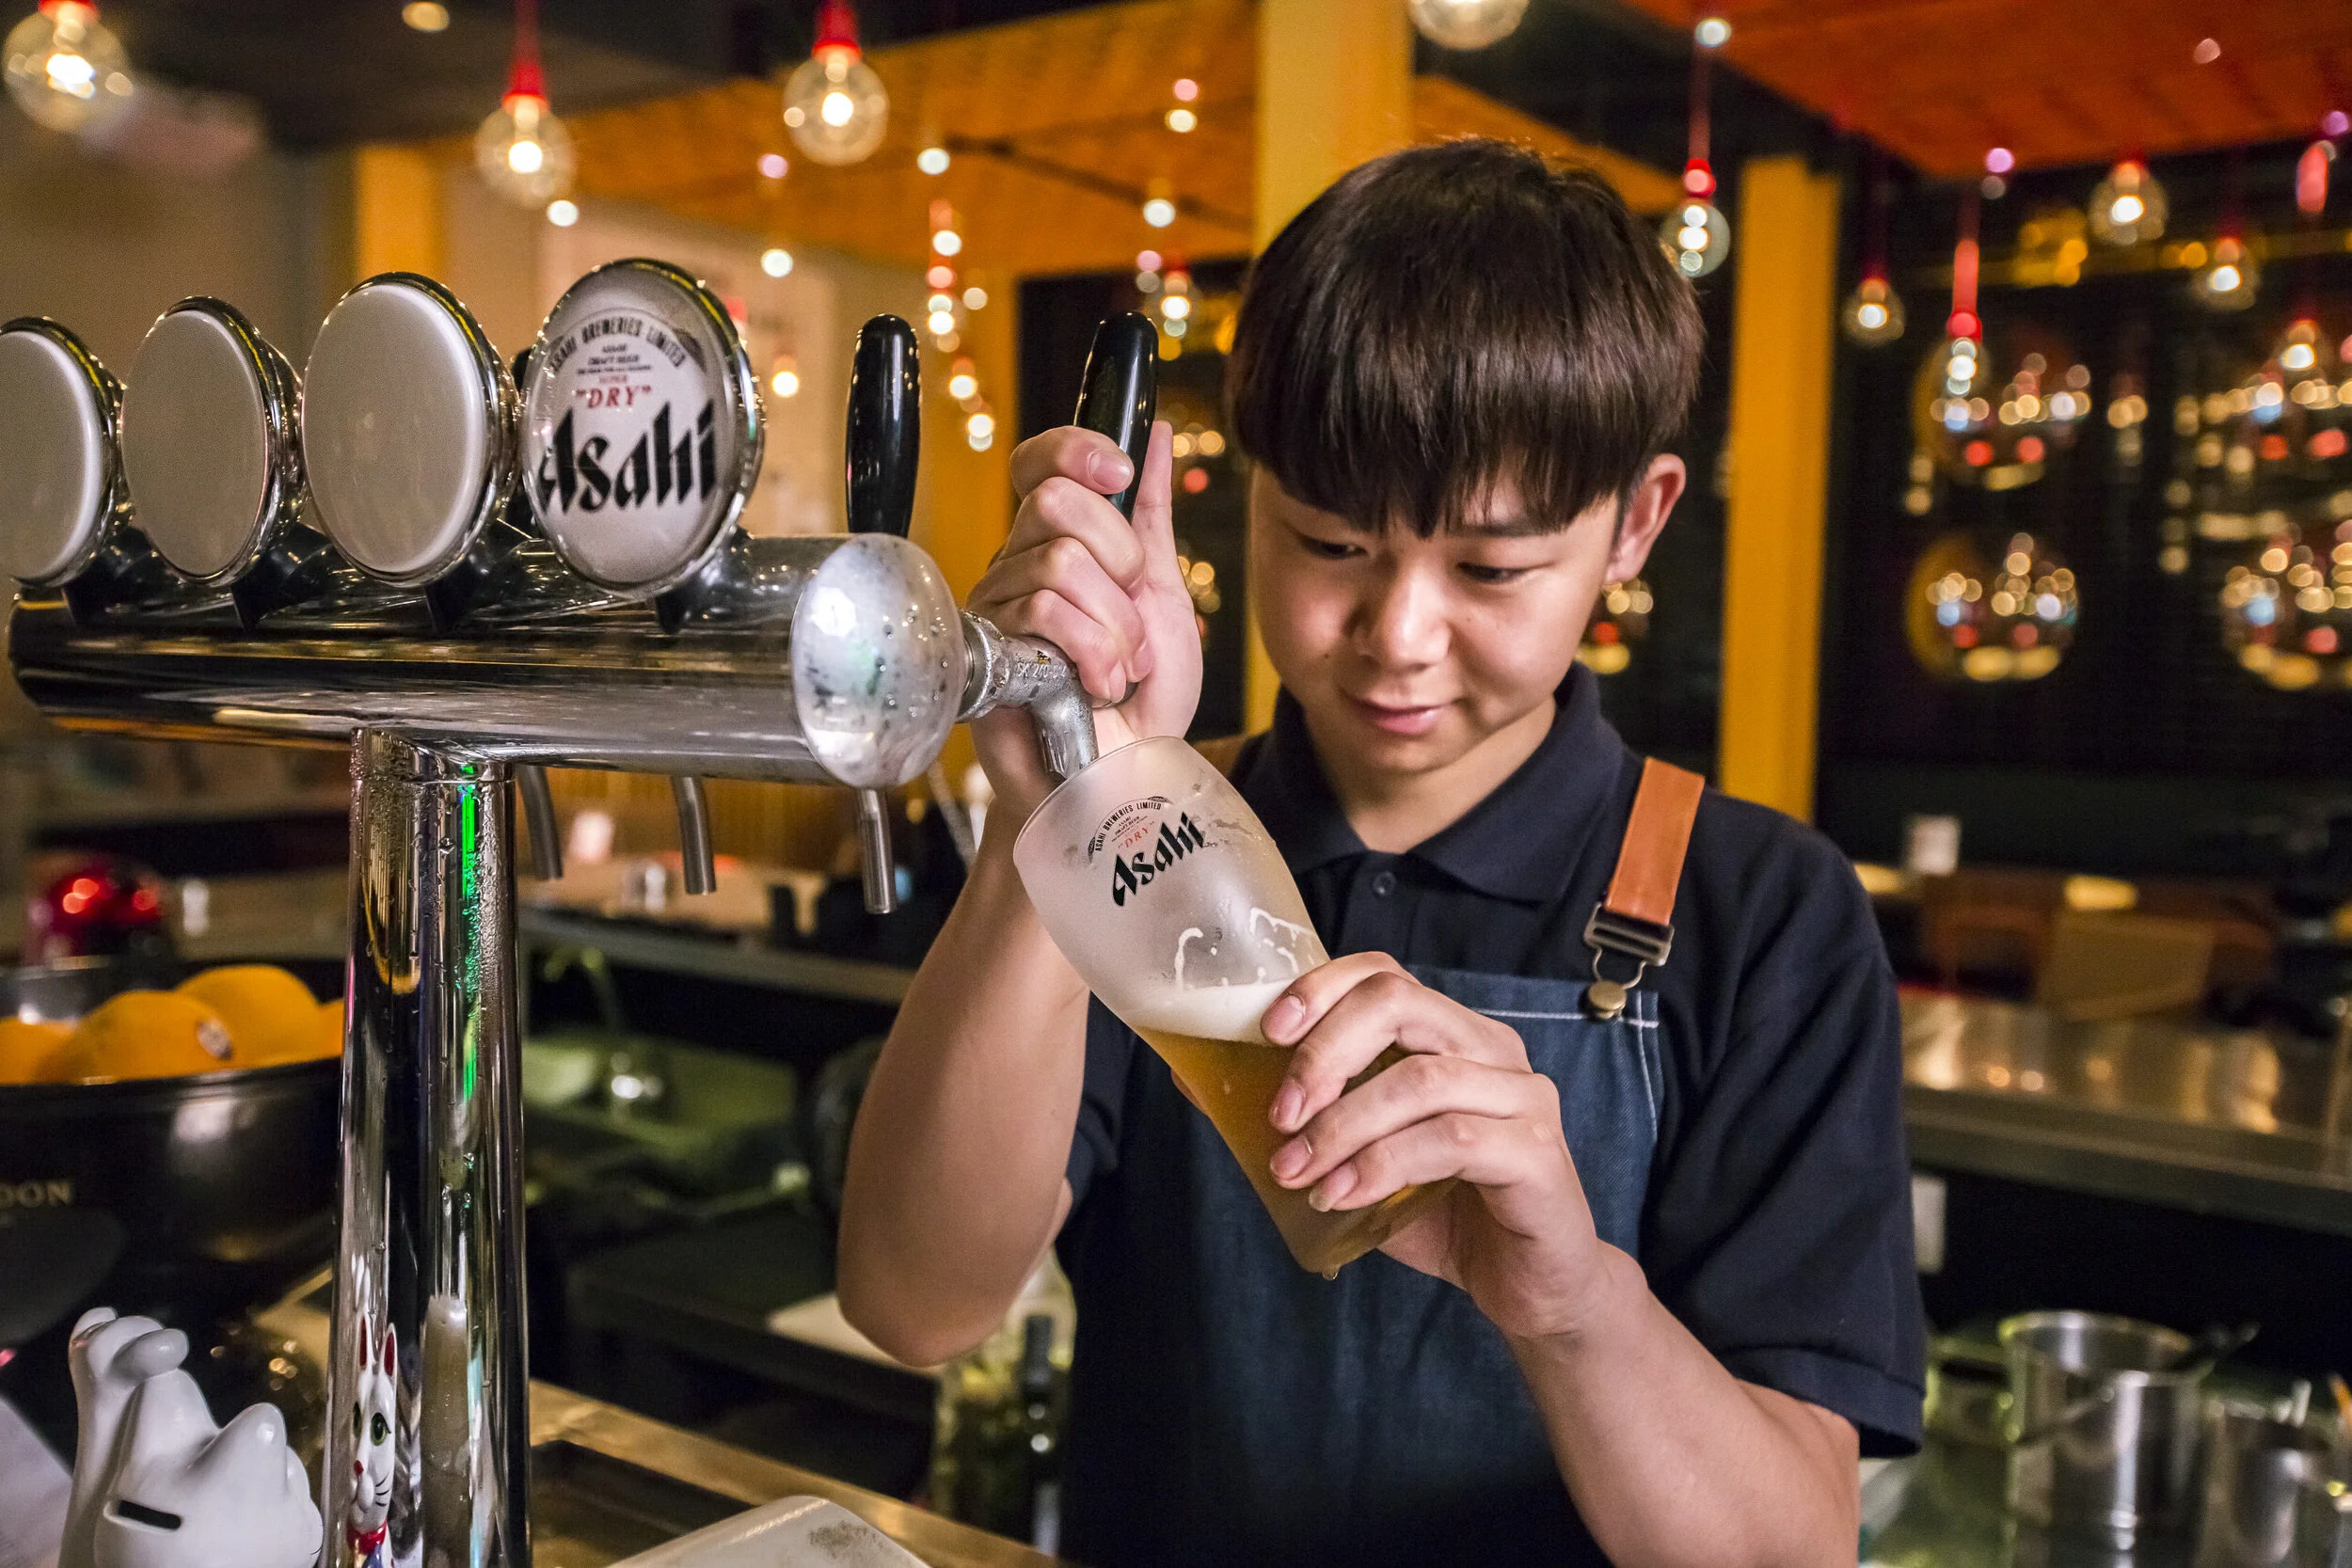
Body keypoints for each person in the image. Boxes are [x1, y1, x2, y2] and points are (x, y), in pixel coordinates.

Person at [839, 139, 1923, 1568]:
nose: (1400, 635)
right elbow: (912, 1300)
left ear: (1636, 523)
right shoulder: (1157, 828)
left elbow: (1791, 1547)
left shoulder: (1764, 911)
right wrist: (1056, 819)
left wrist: (1571, 1299)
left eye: (1490, 568)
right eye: (1331, 541)